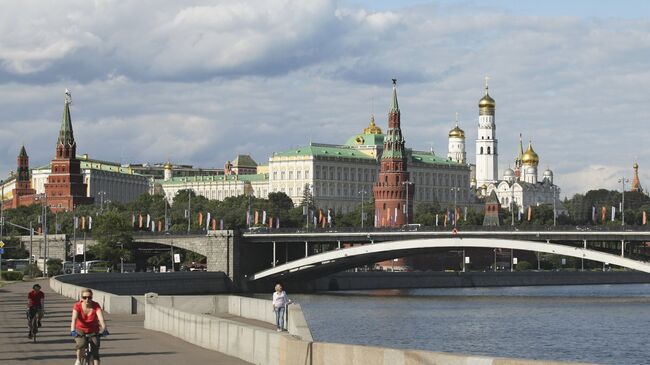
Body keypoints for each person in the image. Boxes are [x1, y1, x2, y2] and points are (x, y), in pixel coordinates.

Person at [70, 288, 108, 365]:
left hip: (93, 330)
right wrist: (73, 330)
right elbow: (74, 319)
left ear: (92, 297)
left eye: (89, 297)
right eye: (85, 297)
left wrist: (104, 329)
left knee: (95, 351)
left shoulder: (96, 305)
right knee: (81, 344)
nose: (87, 299)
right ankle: (78, 360)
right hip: (80, 329)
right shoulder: (77, 306)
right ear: (81, 298)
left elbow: (101, 319)